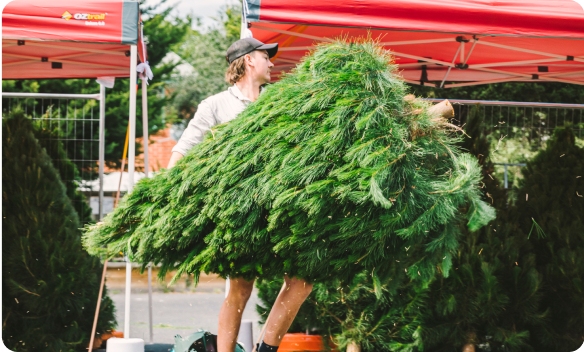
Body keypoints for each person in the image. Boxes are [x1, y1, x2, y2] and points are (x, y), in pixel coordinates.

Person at [168, 38, 314, 352]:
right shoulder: (216, 105)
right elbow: (183, 148)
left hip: (284, 208)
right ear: (248, 61)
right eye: (266, 57)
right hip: (242, 212)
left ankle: (266, 349)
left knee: (303, 280)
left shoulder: (282, 100)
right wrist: (164, 193)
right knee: (241, 287)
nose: (272, 63)